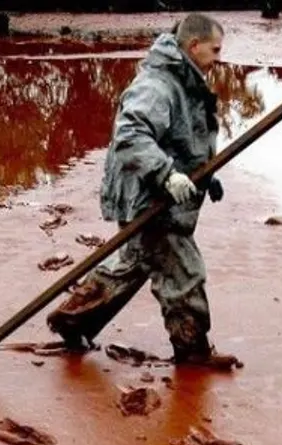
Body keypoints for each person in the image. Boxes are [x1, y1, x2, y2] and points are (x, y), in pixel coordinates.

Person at [45, 13, 241, 370]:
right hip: (148, 195)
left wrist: (202, 177)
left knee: (133, 264)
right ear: (193, 46)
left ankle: (73, 319)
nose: (218, 58)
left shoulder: (183, 81)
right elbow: (130, 135)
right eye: (215, 50)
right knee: (184, 271)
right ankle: (192, 350)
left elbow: (184, 139)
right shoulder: (158, 85)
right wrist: (167, 175)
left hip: (156, 189)